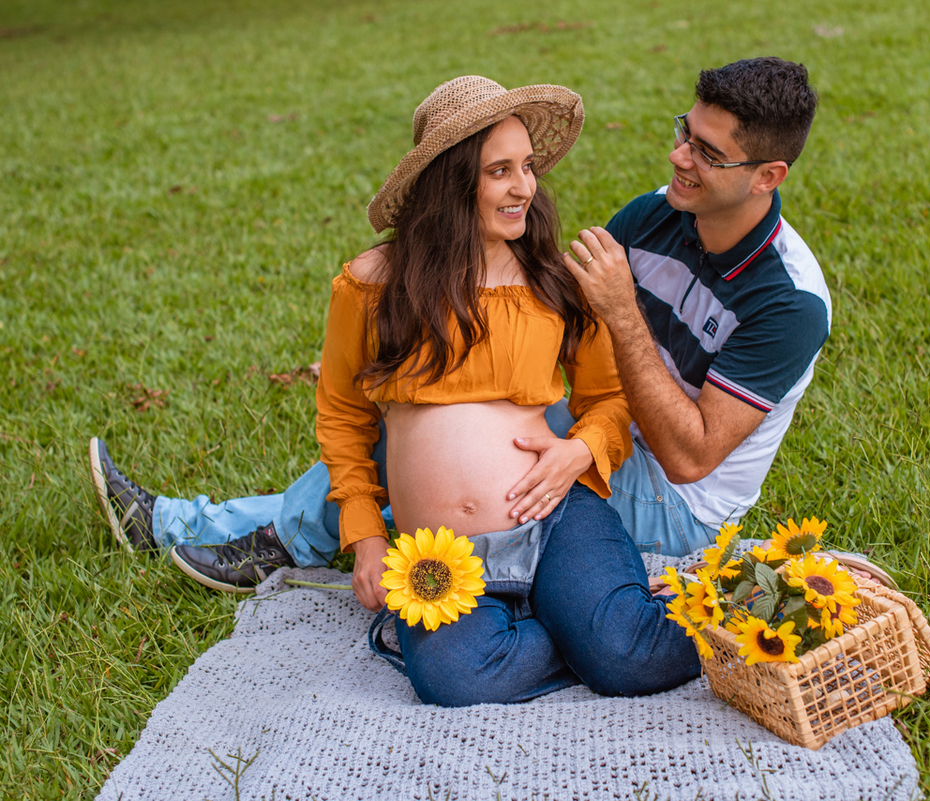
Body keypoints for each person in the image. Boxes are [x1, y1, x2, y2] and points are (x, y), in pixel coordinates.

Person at [91, 57, 894, 593]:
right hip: (591, 425)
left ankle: (236, 532)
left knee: (434, 428)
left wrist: (603, 361)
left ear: (768, 176)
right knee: (429, 413)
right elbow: (565, 334)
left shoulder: (790, 301)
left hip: (672, 500)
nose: (681, 156)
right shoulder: (657, 215)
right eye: (684, 131)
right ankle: (247, 528)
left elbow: (688, 457)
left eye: (707, 152)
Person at [98, 76, 701, 705]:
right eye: (500, 171)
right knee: (452, 677)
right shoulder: (373, 285)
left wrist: (580, 452)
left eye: (526, 167)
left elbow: (610, 399)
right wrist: (366, 538)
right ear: (450, 181)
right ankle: (589, 630)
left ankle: (641, 631)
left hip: (552, 520)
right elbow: (342, 418)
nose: (524, 186)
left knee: (632, 663)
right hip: (438, 556)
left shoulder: (552, 279)